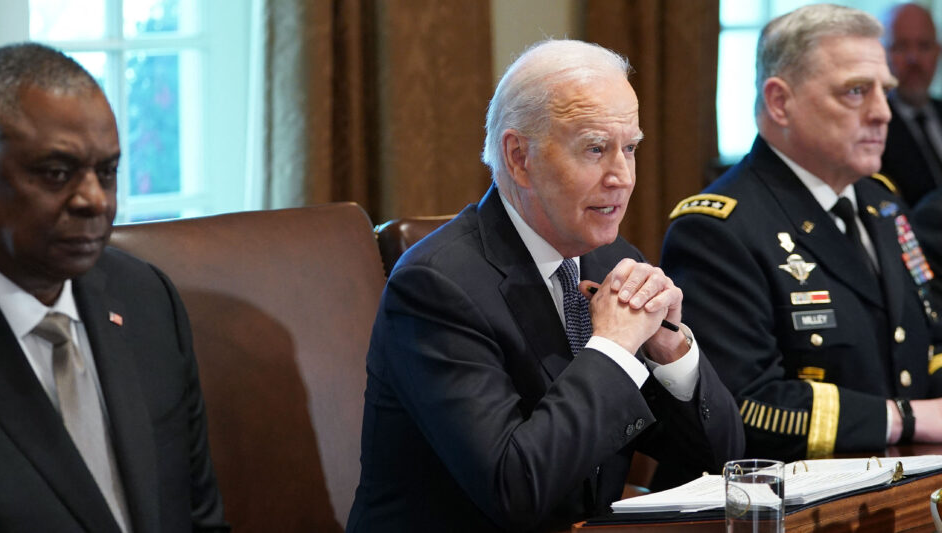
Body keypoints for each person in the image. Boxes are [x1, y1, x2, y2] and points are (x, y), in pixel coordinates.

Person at [346, 40, 743, 532]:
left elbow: (720, 457)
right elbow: (515, 489)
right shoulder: (436, 287)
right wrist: (615, 349)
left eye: (631, 148)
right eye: (595, 149)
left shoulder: (614, 259)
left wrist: (672, 355)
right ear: (519, 157)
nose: (621, 176)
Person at [0, 43, 228, 532]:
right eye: (56, 173)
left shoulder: (146, 300)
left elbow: (200, 519)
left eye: (106, 173)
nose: (94, 201)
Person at [662, 4, 942, 462]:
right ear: (779, 102)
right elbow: (745, 405)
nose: (882, 112)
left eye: (883, 90)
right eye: (855, 91)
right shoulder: (716, 230)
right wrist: (907, 417)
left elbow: (928, 341)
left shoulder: (883, 204)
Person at [880, 2, 942, 207]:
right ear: (883, 54)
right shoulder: (875, 127)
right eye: (901, 46)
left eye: (924, 46)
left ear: (937, 52)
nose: (913, 59)